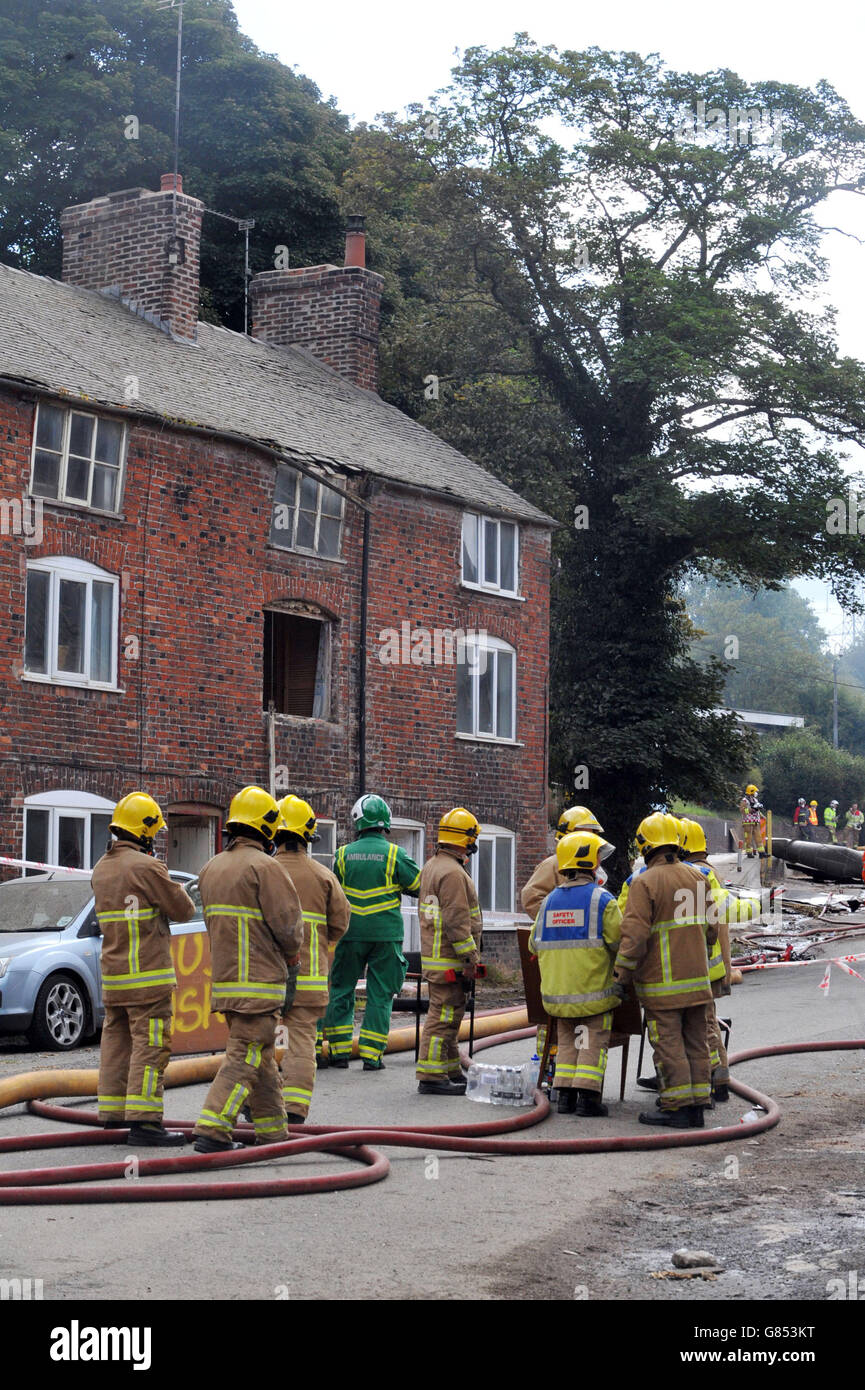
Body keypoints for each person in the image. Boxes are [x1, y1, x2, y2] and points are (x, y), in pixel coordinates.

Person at [192, 787, 303, 1153]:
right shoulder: (265, 867)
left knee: (262, 1059)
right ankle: (213, 1126)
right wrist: (293, 956)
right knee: (246, 1057)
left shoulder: (211, 868)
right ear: (268, 827)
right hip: (260, 985)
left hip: (227, 984)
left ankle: (273, 1133)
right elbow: (288, 926)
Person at [93, 792, 196, 1146]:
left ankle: (113, 1116)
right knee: (150, 1048)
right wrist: (175, 887)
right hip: (148, 982)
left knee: (117, 1046)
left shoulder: (101, 869)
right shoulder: (148, 867)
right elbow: (183, 910)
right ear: (145, 831)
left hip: (114, 980)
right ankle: (146, 1122)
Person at [612, 812, 718, 1129]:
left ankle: (677, 1107)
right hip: (699, 983)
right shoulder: (699, 878)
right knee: (697, 1042)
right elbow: (712, 931)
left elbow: (634, 937)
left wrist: (621, 976)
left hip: (663, 987)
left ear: (645, 845)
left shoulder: (644, 883)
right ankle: (698, 1104)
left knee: (669, 1045)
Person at [322, 794, 420, 1070]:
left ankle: (340, 1052)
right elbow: (419, 886)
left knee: (341, 989)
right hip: (385, 936)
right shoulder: (395, 854)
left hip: (349, 934)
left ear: (358, 822)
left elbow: (333, 894)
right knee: (380, 994)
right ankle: (371, 1055)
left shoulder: (341, 855)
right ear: (384, 823)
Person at [529, 830, 622, 1117]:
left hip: (558, 996)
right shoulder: (602, 900)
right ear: (591, 864)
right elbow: (620, 941)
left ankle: (566, 1096)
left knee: (568, 1040)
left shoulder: (548, 902)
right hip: (594, 993)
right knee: (591, 1039)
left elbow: (534, 942)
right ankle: (588, 1099)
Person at [272, 796, 351, 1122]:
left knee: (262, 1042)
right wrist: (319, 945)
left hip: (267, 977)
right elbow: (341, 922)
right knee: (301, 1043)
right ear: (308, 836)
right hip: (309, 978)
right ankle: (294, 1110)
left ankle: (259, 1104)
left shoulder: (264, 871)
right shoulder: (323, 876)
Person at [677, 818, 759, 1102]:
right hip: (707, 964)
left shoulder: (696, 874)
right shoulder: (705, 870)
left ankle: (713, 1080)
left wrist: (758, 904)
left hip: (700, 965)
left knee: (703, 1025)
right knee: (705, 1023)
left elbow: (724, 909)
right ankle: (714, 1077)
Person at [416, 808, 483, 1095]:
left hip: (438, 957)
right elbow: (457, 921)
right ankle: (431, 1075)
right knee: (442, 1018)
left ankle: (451, 1068)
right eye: (471, 838)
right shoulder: (454, 873)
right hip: (450, 960)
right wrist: (470, 959)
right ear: (464, 838)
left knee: (450, 1017)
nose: (473, 844)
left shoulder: (433, 866)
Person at [520, 805, 605, 921]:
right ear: (568, 835)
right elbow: (530, 897)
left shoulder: (591, 864)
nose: (588, 840)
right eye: (582, 835)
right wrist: (558, 921)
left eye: (591, 835)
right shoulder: (554, 864)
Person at [739, 785, 764, 856]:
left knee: (758, 837)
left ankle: (761, 852)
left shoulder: (755, 800)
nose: (756, 793)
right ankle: (749, 852)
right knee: (748, 838)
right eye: (755, 791)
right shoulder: (744, 801)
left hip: (755, 821)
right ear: (751, 792)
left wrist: (761, 815)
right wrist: (751, 810)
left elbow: (757, 810)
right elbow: (742, 810)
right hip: (747, 822)